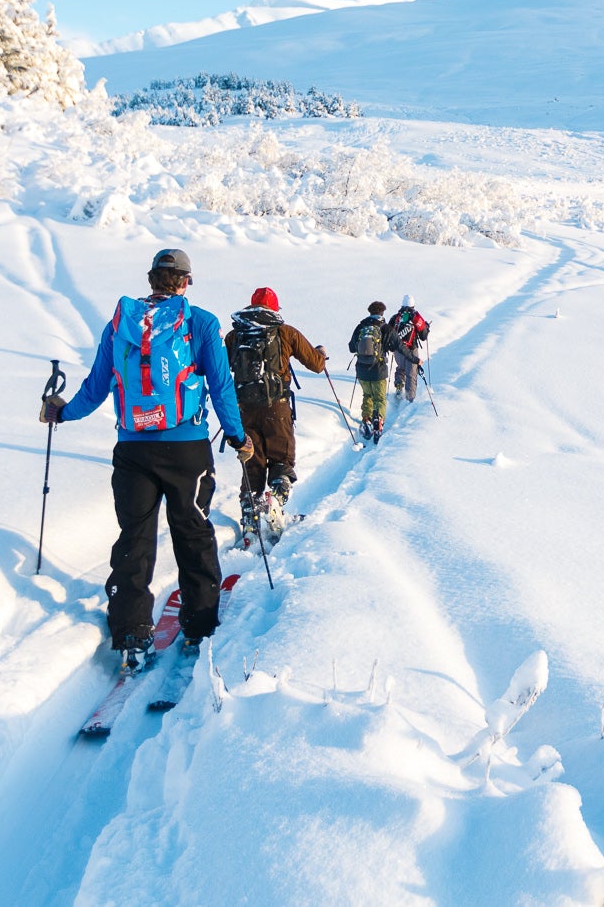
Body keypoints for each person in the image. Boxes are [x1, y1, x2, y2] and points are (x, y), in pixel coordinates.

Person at [41, 247, 250, 674]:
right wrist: (237, 435)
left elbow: (97, 386)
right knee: (192, 531)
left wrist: (62, 412)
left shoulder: (120, 324)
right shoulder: (201, 323)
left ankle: (132, 633)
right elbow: (221, 385)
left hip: (132, 447)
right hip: (188, 447)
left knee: (135, 537)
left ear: (151, 279)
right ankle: (199, 626)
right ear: (186, 281)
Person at [225, 285, 327, 544]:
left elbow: (221, 367)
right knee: (281, 458)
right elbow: (315, 364)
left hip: (244, 409)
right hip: (277, 407)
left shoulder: (235, 335)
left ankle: (250, 514)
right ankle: (276, 501)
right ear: (274, 308)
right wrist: (322, 354)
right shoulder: (285, 332)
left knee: (252, 461)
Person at [349, 300, 391, 441]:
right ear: (382, 312)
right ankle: (378, 421)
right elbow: (397, 345)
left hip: (362, 370)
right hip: (378, 370)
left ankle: (366, 419)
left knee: (367, 395)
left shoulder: (361, 327)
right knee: (379, 398)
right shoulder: (384, 327)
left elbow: (351, 347)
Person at [386, 293, 430, 405]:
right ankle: (410, 399)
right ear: (413, 305)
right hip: (411, 349)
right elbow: (423, 336)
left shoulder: (396, 317)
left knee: (401, 368)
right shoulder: (416, 317)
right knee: (411, 373)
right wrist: (426, 327)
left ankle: (399, 386)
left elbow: (388, 332)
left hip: (398, 350)